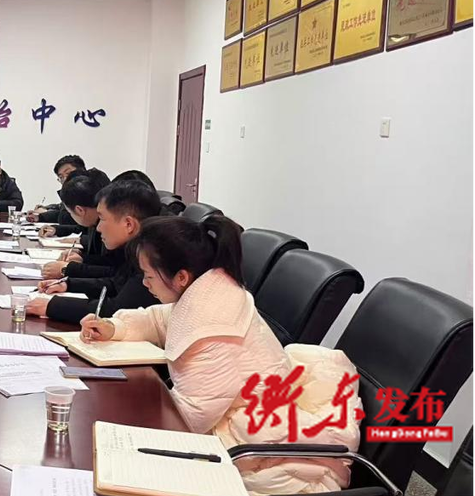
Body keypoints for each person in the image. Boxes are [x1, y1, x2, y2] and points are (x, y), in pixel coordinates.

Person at [80, 216, 362, 495]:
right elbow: (158, 321)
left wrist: (121, 418)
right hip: (233, 414)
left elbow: (186, 421)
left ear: (181, 277)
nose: (145, 283)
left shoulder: (214, 329)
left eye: (149, 276)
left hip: (256, 445)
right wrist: (114, 327)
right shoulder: (206, 293)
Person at [29, 179, 160, 323]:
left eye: (102, 219)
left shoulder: (155, 256)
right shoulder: (137, 247)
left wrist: (52, 306)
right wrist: (68, 284)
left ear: (128, 224)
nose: (98, 228)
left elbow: (118, 310)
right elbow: (115, 284)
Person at [28, 155, 85, 236]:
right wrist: (40, 217)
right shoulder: (69, 195)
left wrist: (57, 230)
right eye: (61, 177)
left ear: (81, 172)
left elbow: (84, 230)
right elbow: (62, 213)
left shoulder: (88, 195)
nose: (65, 179)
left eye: (68, 174)